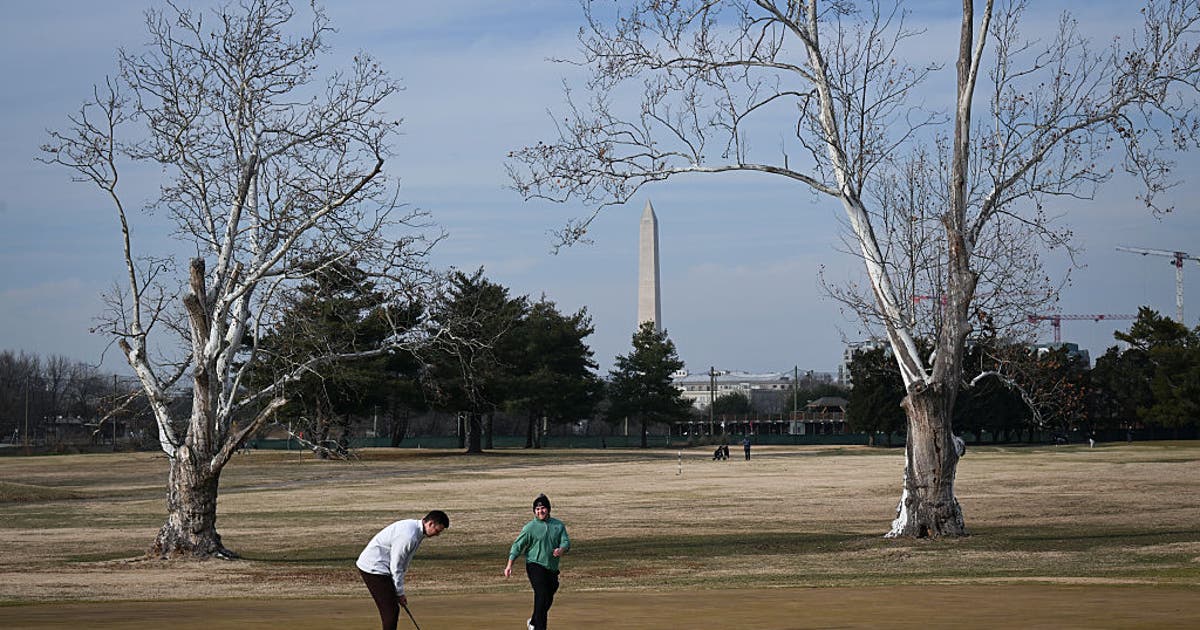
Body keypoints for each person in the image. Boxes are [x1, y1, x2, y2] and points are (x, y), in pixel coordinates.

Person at [357, 510, 450, 630]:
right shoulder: (409, 536)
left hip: (382, 567)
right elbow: (396, 566)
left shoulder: (417, 531)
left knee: (391, 609)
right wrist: (400, 592)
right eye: (437, 530)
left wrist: (398, 591)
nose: (437, 534)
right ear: (430, 523)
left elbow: (403, 562)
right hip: (373, 567)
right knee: (391, 610)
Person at [504, 494, 570, 630]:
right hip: (534, 565)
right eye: (537, 509)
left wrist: (561, 549)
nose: (540, 511)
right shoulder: (530, 527)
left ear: (548, 509)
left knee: (548, 596)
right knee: (541, 594)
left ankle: (533, 621)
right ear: (534, 511)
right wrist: (509, 565)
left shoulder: (558, 525)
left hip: (551, 568)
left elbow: (566, 542)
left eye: (543, 508)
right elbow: (517, 546)